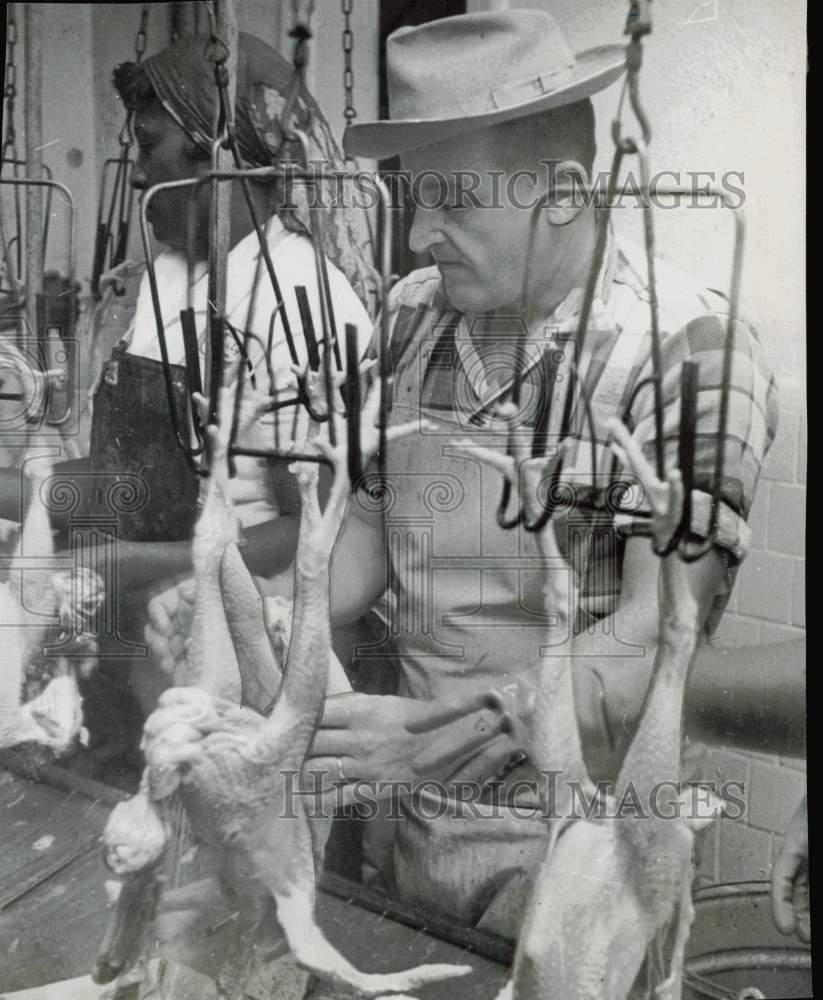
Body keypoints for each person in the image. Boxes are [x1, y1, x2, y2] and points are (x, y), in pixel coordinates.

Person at [289, 7, 780, 945]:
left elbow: (653, 633)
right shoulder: (408, 319)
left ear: (559, 191)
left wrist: (437, 734)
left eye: (454, 200)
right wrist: (272, 603)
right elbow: (359, 542)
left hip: (585, 846)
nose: (421, 232)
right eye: (412, 197)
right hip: (416, 828)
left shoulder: (690, 352)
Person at [0, 30, 372, 780]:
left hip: (236, 668)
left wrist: (133, 564)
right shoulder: (170, 276)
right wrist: (27, 500)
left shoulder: (306, 303)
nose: (138, 175)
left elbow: (316, 539)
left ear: (217, 155)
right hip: (129, 649)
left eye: (148, 145)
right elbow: (133, 477)